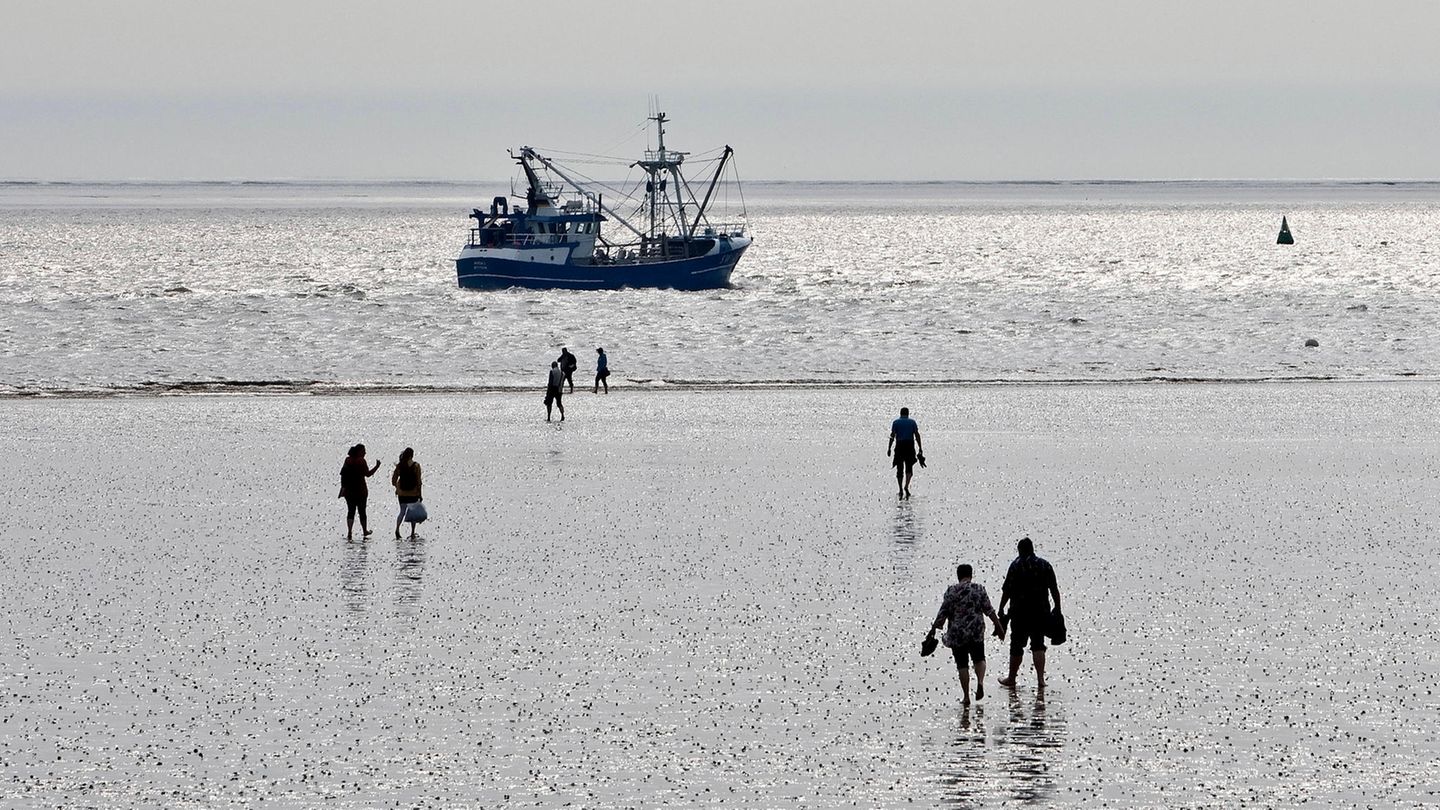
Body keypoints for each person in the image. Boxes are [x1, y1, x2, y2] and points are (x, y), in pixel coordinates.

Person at [930, 564, 1002, 705]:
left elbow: (943, 612)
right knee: (979, 659)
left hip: (957, 633)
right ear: (971, 575)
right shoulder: (978, 589)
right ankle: (980, 682)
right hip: (976, 631)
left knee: (962, 665)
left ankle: (966, 697)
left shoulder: (952, 591)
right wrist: (999, 626)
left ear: (958, 575)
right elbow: (989, 610)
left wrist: (933, 629)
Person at [996, 536, 1062, 689]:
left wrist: (1000, 608)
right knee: (1038, 644)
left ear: (1019, 550)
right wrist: (1057, 608)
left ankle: (1011, 678)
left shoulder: (1015, 566)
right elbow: (1054, 589)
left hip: (1019, 613)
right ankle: (1040, 680)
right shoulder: (1045, 565)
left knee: (1016, 645)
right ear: (1032, 549)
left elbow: (1007, 590)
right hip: (1041, 611)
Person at [338, 443, 381, 540]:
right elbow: (368, 474)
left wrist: (343, 488)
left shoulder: (347, 460)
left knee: (350, 511)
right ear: (359, 451)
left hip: (349, 491)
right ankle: (364, 531)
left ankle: (349, 532)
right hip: (360, 490)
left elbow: (343, 474)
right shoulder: (361, 461)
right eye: (363, 451)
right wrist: (377, 466)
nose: (365, 452)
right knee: (362, 511)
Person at [886, 407, 923, 498]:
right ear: (908, 413)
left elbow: (892, 436)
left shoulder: (896, 422)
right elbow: (917, 435)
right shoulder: (912, 422)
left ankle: (900, 489)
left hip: (899, 446)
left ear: (900, 413)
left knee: (899, 468)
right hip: (909, 445)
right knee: (909, 467)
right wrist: (920, 447)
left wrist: (889, 448)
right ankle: (906, 486)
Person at [391, 447, 423, 538]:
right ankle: (412, 533)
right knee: (413, 514)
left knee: (402, 512)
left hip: (402, 494)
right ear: (412, 455)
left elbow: (393, 480)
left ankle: (397, 529)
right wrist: (420, 494)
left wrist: (398, 487)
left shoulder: (400, 465)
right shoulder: (416, 466)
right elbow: (419, 481)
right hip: (413, 494)